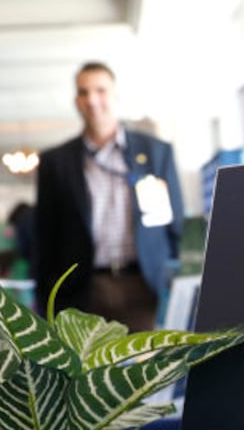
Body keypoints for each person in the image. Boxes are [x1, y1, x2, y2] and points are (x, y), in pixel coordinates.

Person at [34, 62, 183, 328]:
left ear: (115, 95)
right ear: (76, 101)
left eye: (100, 90)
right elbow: (46, 237)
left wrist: (169, 276)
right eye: (83, 92)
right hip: (83, 292)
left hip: (145, 286)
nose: (92, 100)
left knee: (145, 368)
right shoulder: (56, 162)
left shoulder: (156, 152)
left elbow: (175, 225)